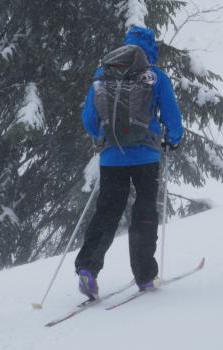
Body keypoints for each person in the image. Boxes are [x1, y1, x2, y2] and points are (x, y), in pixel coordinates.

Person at [75, 26, 184, 299]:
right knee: (145, 211)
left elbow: (89, 117)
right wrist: (173, 139)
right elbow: (171, 115)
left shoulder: (103, 75)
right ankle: (145, 276)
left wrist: (102, 137)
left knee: (107, 212)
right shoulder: (155, 76)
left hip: (112, 157)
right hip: (147, 155)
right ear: (151, 50)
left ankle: (88, 268)